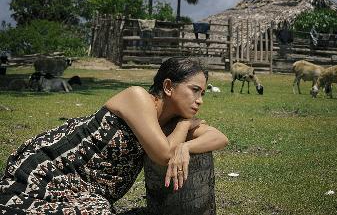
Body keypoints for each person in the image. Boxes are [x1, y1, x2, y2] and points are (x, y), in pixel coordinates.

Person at [0, 57, 229, 214]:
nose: (200, 100)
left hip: (87, 191)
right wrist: (184, 126)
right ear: (168, 87)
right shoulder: (137, 97)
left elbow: (220, 137)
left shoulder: (173, 120)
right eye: (194, 90)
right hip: (51, 171)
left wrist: (185, 146)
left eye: (203, 93)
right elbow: (164, 154)